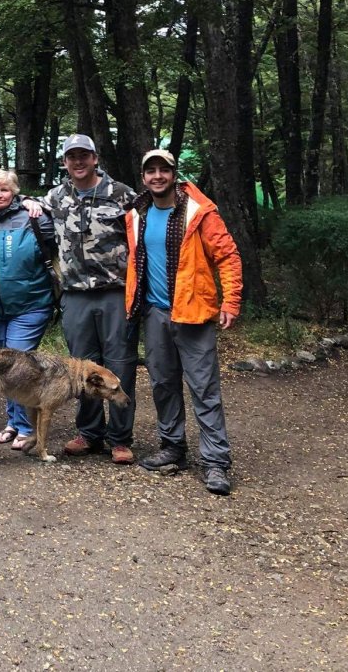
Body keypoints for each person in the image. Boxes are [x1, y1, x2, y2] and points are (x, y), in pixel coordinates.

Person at [125, 149, 242, 495]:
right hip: (155, 312)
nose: (157, 176)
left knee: (204, 389)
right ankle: (172, 446)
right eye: (151, 171)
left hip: (193, 312)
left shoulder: (199, 211)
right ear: (144, 177)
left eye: (164, 170)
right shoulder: (137, 213)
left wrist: (230, 300)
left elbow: (228, 255)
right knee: (163, 383)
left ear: (174, 174)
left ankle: (216, 462)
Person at [40, 133, 139, 464]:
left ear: (95, 158)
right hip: (75, 296)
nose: (78, 162)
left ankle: (120, 438)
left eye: (84, 156)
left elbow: (144, 237)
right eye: (72, 157)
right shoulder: (55, 197)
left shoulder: (123, 195)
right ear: (65, 162)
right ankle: (89, 433)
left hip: (115, 294)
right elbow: (13, 204)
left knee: (120, 364)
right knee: (82, 369)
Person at [0, 169, 58, 449]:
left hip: (31, 304)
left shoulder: (33, 216)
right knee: (4, 366)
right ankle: (13, 421)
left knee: (15, 366)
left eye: (4, 190)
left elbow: (59, 226)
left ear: (15, 192)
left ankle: (25, 427)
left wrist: (36, 202)